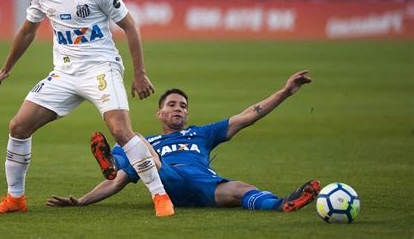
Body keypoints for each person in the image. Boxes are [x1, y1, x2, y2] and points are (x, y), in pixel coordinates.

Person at [0, 0, 174, 217]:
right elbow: (27, 30)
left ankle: (160, 196)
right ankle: (15, 199)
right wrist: (5, 69)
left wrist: (139, 73)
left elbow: (130, 26)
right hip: (65, 73)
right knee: (18, 127)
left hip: (101, 68)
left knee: (121, 130)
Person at [47, 70, 321, 212]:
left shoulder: (201, 133)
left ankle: (281, 204)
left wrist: (285, 92)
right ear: (160, 112)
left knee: (240, 189)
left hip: (204, 185)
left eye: (183, 106)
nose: (179, 109)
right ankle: (112, 161)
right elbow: (116, 182)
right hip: (166, 180)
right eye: (173, 104)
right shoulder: (151, 140)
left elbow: (248, 115)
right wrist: (83, 201)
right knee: (134, 140)